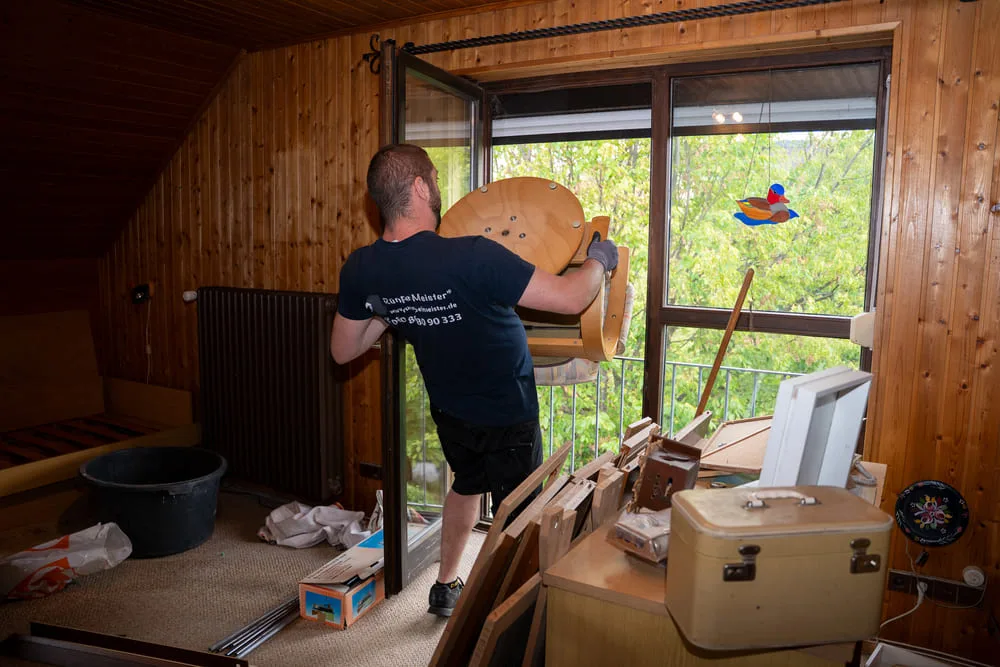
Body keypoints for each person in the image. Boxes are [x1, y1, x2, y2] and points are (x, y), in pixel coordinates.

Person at [330, 144, 619, 617]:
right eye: (434, 179)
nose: (438, 187)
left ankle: (445, 585)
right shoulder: (471, 255)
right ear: (419, 187)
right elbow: (571, 298)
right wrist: (600, 261)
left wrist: (390, 307)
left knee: (466, 484)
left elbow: (343, 350)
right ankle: (510, 610)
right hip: (507, 414)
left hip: (451, 412)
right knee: (519, 516)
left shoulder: (363, 268)